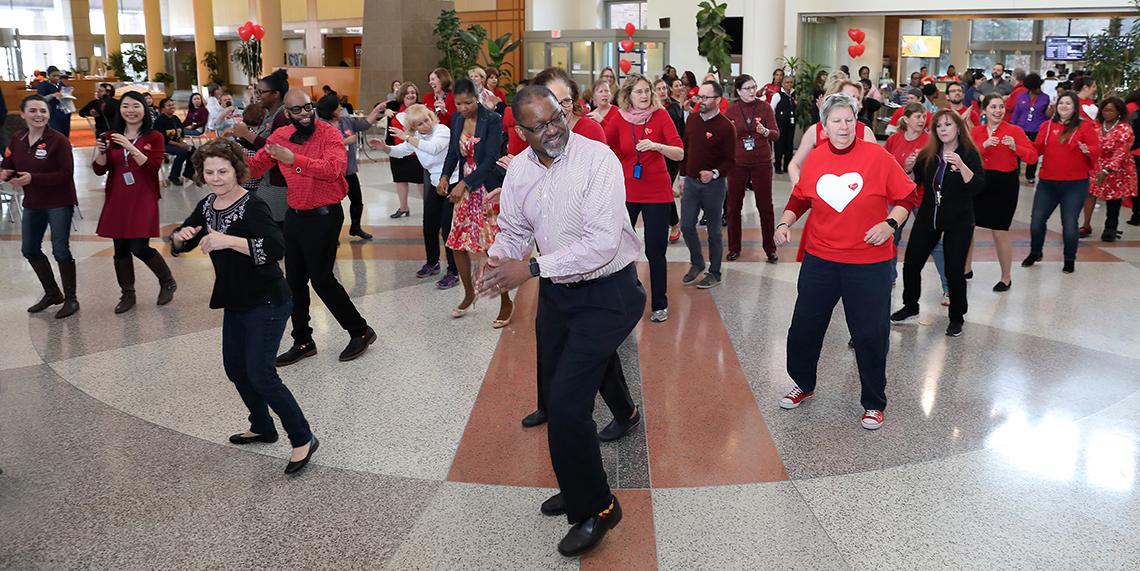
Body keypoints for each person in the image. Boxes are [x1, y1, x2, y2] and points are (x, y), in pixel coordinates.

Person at [477, 84, 644, 557]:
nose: (553, 130)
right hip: (559, 292)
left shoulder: (597, 160)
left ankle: (600, 508)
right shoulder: (520, 170)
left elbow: (601, 244)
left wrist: (529, 269)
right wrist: (500, 258)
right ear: (521, 131)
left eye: (557, 118)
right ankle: (577, 486)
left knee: (569, 406)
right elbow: (515, 228)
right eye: (540, 126)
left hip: (608, 293)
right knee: (555, 397)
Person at [169, 139, 318, 475]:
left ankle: (303, 437)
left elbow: (276, 248)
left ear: (237, 170)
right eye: (209, 172)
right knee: (236, 369)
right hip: (235, 298)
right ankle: (262, 426)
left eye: (222, 171)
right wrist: (179, 238)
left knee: (261, 373)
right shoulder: (208, 205)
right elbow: (185, 238)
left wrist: (229, 241)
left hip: (268, 299)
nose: (216, 178)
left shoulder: (253, 205)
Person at [772, 92, 919, 430]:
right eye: (836, 121)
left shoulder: (876, 156)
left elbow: (907, 195)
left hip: (868, 263)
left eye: (849, 120)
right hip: (821, 259)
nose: (843, 126)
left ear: (857, 123)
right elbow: (800, 198)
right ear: (824, 126)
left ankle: (874, 402)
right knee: (804, 327)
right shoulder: (816, 158)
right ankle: (803, 384)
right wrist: (784, 223)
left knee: (870, 334)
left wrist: (890, 224)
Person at [248, 89, 377, 365]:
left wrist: (293, 159)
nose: (305, 114)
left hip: (325, 215)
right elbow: (256, 167)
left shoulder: (329, 134)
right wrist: (225, 163)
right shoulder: (280, 136)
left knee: (321, 279)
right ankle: (303, 340)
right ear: (286, 113)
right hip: (295, 215)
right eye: (297, 110)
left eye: (308, 107)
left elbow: (333, 170)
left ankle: (360, 330)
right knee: (294, 281)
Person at [892, 110, 985, 337]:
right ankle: (910, 305)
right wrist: (909, 168)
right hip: (929, 215)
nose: (943, 129)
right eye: (939, 126)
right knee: (911, 263)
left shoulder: (969, 153)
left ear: (958, 128)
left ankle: (956, 317)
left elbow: (977, 187)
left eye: (948, 125)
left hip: (959, 220)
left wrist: (961, 166)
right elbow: (912, 182)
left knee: (954, 269)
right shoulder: (929, 153)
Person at [605, 73, 684, 322]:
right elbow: (604, 147)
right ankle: (626, 297)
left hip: (657, 193)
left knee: (655, 250)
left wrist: (657, 146)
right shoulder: (619, 118)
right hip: (627, 192)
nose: (644, 95)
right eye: (639, 91)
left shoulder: (660, 116)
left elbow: (679, 152)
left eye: (647, 91)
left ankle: (660, 303)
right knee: (621, 247)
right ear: (628, 95)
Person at [92, 91, 177, 314]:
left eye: (136, 106)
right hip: (118, 196)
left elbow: (152, 168)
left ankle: (167, 281)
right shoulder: (110, 136)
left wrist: (131, 148)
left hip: (143, 196)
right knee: (120, 248)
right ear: (120, 110)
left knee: (139, 246)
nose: (130, 111)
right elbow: (99, 169)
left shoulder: (154, 136)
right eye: (126, 106)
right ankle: (127, 293)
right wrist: (102, 153)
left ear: (144, 109)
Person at [438, 79, 512, 325]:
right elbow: (453, 153)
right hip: (464, 191)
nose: (463, 108)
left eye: (468, 103)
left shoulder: (492, 120)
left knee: (492, 247)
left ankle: (506, 300)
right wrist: (445, 177)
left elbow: (490, 159)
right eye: (458, 104)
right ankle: (469, 293)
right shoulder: (457, 119)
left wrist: (465, 184)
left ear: (477, 98)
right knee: (457, 243)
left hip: (485, 189)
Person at [1, 95, 80, 318]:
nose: (39, 115)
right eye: (33, 111)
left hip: (59, 201)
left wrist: (33, 178)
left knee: (60, 250)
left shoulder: (58, 140)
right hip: (33, 202)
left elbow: (66, 174)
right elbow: (8, 164)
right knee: (29, 249)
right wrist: (6, 174)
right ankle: (52, 293)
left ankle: (71, 299)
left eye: (43, 111)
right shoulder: (18, 139)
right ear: (23, 114)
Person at [368, 104, 459, 281]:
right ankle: (432, 262)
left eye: (427, 119)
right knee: (429, 226)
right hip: (435, 184)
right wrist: (384, 147)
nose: (426, 124)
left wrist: (408, 138)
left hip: (452, 182)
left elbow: (433, 148)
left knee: (447, 229)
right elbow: (400, 152)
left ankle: (453, 270)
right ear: (413, 127)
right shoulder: (416, 137)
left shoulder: (442, 130)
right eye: (420, 124)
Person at [1022, 92, 1101, 274]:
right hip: (1048, 183)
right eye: (1061, 103)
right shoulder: (1047, 126)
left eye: (1068, 103)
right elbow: (1037, 149)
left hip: (1075, 184)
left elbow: (1096, 149)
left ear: (1075, 107)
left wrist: (1087, 150)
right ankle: (1035, 252)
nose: (1064, 106)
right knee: (1037, 220)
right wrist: (1021, 145)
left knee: (1070, 223)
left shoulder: (1085, 127)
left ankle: (1069, 258)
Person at [968, 93, 1038, 291]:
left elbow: (1032, 157)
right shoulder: (976, 131)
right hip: (979, 182)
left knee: (1000, 231)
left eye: (1001, 107)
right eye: (993, 107)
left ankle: (1006, 277)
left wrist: (1016, 148)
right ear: (984, 110)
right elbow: (966, 156)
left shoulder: (1014, 130)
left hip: (1004, 184)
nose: (998, 111)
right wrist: (983, 146)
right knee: (968, 226)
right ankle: (966, 268)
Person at [885, 102, 948, 299]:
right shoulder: (894, 140)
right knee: (890, 237)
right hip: (898, 197)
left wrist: (918, 166)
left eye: (924, 117)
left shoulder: (930, 141)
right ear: (906, 119)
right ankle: (889, 277)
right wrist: (904, 168)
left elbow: (940, 169)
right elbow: (885, 165)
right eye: (917, 117)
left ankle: (948, 286)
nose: (922, 120)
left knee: (934, 242)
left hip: (923, 197)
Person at [677, 80, 734, 290]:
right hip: (691, 183)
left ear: (718, 100)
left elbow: (731, 160)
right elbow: (686, 149)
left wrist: (714, 173)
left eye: (705, 97)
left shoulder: (726, 126)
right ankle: (697, 262)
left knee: (714, 231)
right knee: (686, 225)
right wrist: (682, 177)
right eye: (699, 96)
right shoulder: (692, 120)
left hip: (714, 186)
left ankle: (715, 272)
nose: (700, 100)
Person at [724, 74, 780, 263]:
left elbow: (776, 134)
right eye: (747, 88)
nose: (751, 91)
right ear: (738, 91)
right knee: (733, 206)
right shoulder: (731, 110)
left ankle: (770, 249)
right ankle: (734, 247)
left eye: (753, 87)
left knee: (765, 206)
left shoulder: (765, 108)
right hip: (737, 163)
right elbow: (724, 137)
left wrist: (766, 132)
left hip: (761, 162)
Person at [316, 93, 387, 240]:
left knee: (357, 201)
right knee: (334, 206)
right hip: (333, 174)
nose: (341, 108)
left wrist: (376, 110)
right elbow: (321, 147)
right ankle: (332, 236)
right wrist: (345, 141)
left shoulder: (346, 121)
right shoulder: (321, 127)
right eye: (338, 106)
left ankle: (355, 227)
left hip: (349, 170)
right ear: (331, 110)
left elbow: (364, 124)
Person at [787, 80, 877, 185]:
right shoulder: (815, 131)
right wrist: (799, 188)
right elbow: (794, 165)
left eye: (857, 98)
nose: (855, 102)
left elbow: (877, 165)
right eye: (849, 97)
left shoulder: (865, 132)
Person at [1084, 98, 1136, 242]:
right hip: (1096, 164)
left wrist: (1107, 170)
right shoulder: (1095, 125)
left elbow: (1121, 152)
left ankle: (1110, 227)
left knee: (1113, 198)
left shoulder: (1125, 129)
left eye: (1110, 110)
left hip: (1117, 168)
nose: (1106, 113)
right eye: (1104, 110)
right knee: (1090, 193)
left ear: (1119, 112)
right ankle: (1086, 225)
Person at [385, 82, 424, 220]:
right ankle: (403, 208)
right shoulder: (394, 107)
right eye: (407, 93)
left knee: (421, 182)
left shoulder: (422, 109)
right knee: (400, 180)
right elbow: (379, 107)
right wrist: (385, 111)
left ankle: (429, 207)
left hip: (416, 151)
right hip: (398, 150)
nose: (410, 95)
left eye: (413, 92)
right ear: (402, 95)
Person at [656, 77, 685, 243]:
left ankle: (674, 224)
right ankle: (667, 223)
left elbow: (672, 122)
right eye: (658, 89)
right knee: (659, 190)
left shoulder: (673, 107)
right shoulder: (649, 109)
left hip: (671, 155)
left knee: (664, 188)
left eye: (664, 88)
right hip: (655, 154)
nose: (662, 92)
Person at [1010, 73, 1050, 184]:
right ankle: (1015, 173)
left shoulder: (1045, 98)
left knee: (1033, 152)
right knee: (1017, 150)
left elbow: (1046, 116)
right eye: (1035, 88)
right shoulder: (1021, 96)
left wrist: (1049, 114)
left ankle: (1030, 175)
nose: (1038, 90)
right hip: (1021, 128)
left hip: (1036, 129)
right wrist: (1012, 126)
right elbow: (1016, 112)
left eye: (1039, 87)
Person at [155, 97, 195, 186]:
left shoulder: (175, 118)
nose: (172, 107)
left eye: (173, 105)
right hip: (163, 144)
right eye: (169, 105)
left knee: (192, 149)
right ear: (162, 109)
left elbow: (180, 133)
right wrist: (180, 145)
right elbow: (163, 139)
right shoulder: (159, 120)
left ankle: (188, 172)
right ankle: (173, 176)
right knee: (182, 152)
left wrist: (182, 142)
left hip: (176, 143)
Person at [35, 66, 72, 137]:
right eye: (54, 76)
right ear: (48, 76)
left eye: (58, 76)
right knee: (55, 133)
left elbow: (65, 94)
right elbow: (40, 99)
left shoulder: (61, 84)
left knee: (65, 133)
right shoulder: (43, 85)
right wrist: (52, 95)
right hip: (52, 113)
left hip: (64, 112)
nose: (56, 78)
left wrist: (67, 94)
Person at [425, 68, 457, 142]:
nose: (430, 82)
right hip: (431, 137)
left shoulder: (453, 97)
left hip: (450, 136)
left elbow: (457, 120)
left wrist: (445, 112)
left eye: (433, 79)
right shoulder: (427, 98)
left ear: (442, 80)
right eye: (429, 80)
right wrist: (432, 111)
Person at [773, 75, 797, 174]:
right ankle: (778, 165)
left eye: (791, 82)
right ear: (782, 84)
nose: (789, 84)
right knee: (779, 145)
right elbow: (772, 109)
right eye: (787, 82)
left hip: (790, 125)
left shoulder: (793, 95)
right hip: (780, 125)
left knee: (789, 145)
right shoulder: (777, 95)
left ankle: (787, 166)